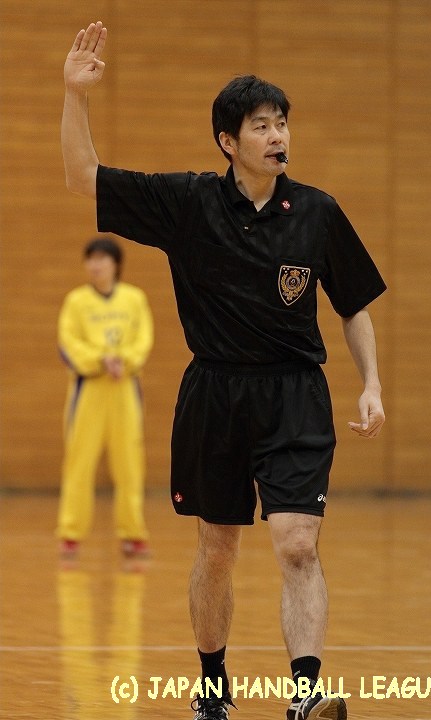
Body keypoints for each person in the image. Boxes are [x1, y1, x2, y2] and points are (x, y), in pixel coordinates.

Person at [61, 21, 386, 720]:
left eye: (282, 123)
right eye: (260, 126)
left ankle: (305, 696)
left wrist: (371, 383)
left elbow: (354, 304)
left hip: (295, 394)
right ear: (227, 141)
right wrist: (75, 97)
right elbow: (83, 177)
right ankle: (212, 689)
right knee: (217, 550)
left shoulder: (319, 213)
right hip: (216, 394)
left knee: (298, 545)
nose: (277, 136)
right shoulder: (189, 204)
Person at [57, 236, 154, 561]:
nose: (95, 265)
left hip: (124, 388)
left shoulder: (134, 299)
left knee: (129, 464)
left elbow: (143, 340)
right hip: (89, 390)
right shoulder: (76, 301)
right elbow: (68, 344)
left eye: (102, 259)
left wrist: (124, 360)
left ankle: (133, 534)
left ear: (116, 264)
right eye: (91, 259)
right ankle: (70, 534)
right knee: (79, 462)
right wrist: (101, 359)